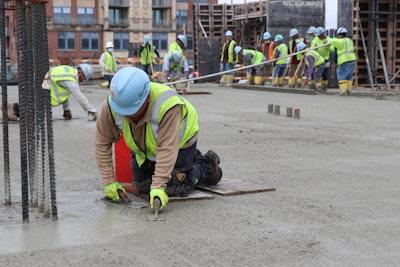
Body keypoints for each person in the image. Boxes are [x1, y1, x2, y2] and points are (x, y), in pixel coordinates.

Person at [94, 67, 222, 211]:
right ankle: (189, 160)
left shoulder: (167, 106)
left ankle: (207, 164)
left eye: (132, 111)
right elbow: (102, 143)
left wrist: (159, 186)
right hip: (145, 148)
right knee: (142, 186)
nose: (127, 116)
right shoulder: (114, 105)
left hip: (179, 142)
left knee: (175, 186)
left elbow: (166, 148)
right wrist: (109, 181)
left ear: (147, 98)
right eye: (124, 112)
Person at [329, 27, 356, 95]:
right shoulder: (349, 41)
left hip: (345, 60)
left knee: (341, 74)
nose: (338, 37)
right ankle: (349, 91)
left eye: (338, 35)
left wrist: (327, 40)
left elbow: (333, 41)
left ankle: (343, 91)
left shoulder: (341, 41)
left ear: (340, 35)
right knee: (349, 76)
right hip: (352, 60)